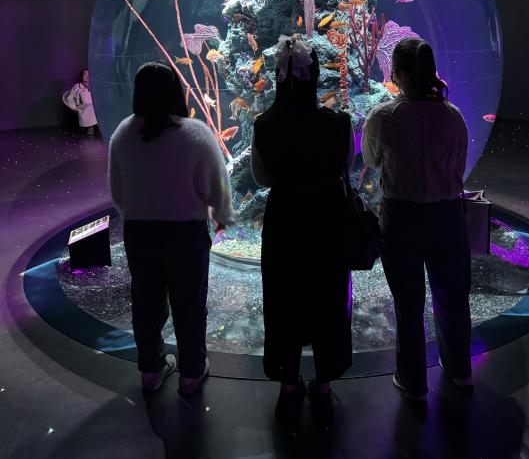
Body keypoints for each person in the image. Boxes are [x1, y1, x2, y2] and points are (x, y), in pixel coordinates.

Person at [108, 62, 234, 395]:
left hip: (139, 233)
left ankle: (150, 370)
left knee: (146, 303)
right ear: (176, 91)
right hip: (185, 235)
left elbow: (117, 192)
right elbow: (218, 185)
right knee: (189, 304)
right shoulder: (195, 134)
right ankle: (191, 373)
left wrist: (139, 214)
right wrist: (221, 216)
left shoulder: (123, 134)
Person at [251, 36, 354, 429]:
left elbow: (261, 178)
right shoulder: (338, 123)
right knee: (329, 295)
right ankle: (323, 385)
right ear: (314, 76)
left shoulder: (264, 125)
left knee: (284, 298)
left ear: (279, 78)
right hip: (328, 218)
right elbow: (346, 167)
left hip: (286, 219)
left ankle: (288, 383)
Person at [362, 38, 472, 402]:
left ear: (400, 74)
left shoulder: (384, 116)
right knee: (453, 296)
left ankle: (413, 381)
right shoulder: (454, 116)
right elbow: (458, 169)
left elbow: (371, 160)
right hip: (448, 216)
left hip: (402, 218)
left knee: (408, 303)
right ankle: (460, 371)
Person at [63, 68, 97, 135]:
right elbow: (70, 98)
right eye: (85, 74)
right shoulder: (77, 86)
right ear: (81, 76)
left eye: (89, 74)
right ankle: (90, 126)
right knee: (91, 107)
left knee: (95, 106)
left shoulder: (94, 85)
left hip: (93, 104)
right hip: (81, 105)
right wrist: (74, 107)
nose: (87, 76)